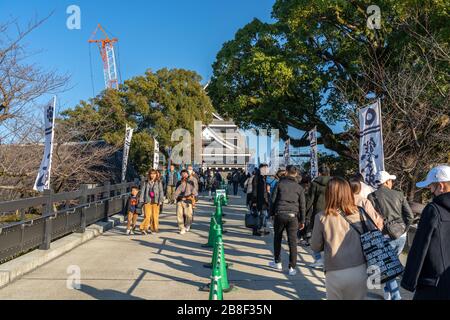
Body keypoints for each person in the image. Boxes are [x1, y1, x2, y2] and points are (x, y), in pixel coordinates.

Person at [310, 177, 382, 300]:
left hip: (334, 270)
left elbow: (315, 246)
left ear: (329, 194)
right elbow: (374, 232)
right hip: (359, 268)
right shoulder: (360, 212)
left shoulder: (321, 217)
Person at [401, 165, 450, 300]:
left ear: (440, 186)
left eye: (431, 187)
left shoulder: (433, 210)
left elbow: (419, 247)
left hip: (433, 283)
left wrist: (409, 281)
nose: (430, 191)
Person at [368, 170, 415, 300]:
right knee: (391, 265)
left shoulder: (371, 197)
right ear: (387, 181)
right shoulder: (399, 194)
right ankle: (389, 294)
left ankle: (394, 296)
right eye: (391, 180)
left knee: (388, 266)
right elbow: (410, 216)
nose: (392, 182)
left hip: (384, 236)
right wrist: (404, 229)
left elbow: (370, 219)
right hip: (401, 235)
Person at [268, 165, 306, 276]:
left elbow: (273, 200)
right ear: (296, 174)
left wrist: (271, 214)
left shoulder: (280, 184)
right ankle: (292, 268)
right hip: (293, 216)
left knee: (277, 238)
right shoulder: (299, 188)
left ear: (287, 172)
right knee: (292, 242)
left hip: (280, 214)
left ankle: (278, 262)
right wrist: (302, 220)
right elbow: (302, 205)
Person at [305, 164, 332, 269]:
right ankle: (329, 260)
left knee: (316, 237)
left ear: (319, 173)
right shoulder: (333, 182)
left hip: (318, 212)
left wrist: (304, 213)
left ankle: (319, 259)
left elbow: (310, 200)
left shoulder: (314, 183)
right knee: (330, 237)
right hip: (332, 212)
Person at [139, 169, 164, 234]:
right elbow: (142, 191)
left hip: (156, 201)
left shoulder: (158, 182)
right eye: (151, 174)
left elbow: (161, 192)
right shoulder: (146, 182)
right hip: (147, 201)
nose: (153, 175)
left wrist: (161, 200)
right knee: (147, 216)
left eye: (154, 174)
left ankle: (154, 229)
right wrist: (141, 200)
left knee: (154, 216)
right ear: (149, 175)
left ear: (156, 175)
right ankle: (143, 228)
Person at [173, 169, 196, 234]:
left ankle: (188, 224)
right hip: (180, 200)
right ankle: (181, 228)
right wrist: (178, 197)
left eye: (185, 173)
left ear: (187, 174)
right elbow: (176, 192)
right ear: (180, 175)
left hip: (188, 200)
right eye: (182, 174)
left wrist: (193, 199)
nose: (184, 175)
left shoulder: (191, 182)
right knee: (179, 214)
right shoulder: (178, 182)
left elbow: (193, 191)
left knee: (188, 214)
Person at [251, 164, 271, 236]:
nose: (266, 170)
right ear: (261, 169)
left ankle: (261, 229)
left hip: (264, 200)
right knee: (261, 215)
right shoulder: (257, 178)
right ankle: (258, 229)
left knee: (264, 215)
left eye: (267, 168)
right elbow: (254, 190)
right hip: (259, 200)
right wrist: (254, 201)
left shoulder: (265, 177)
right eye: (265, 168)